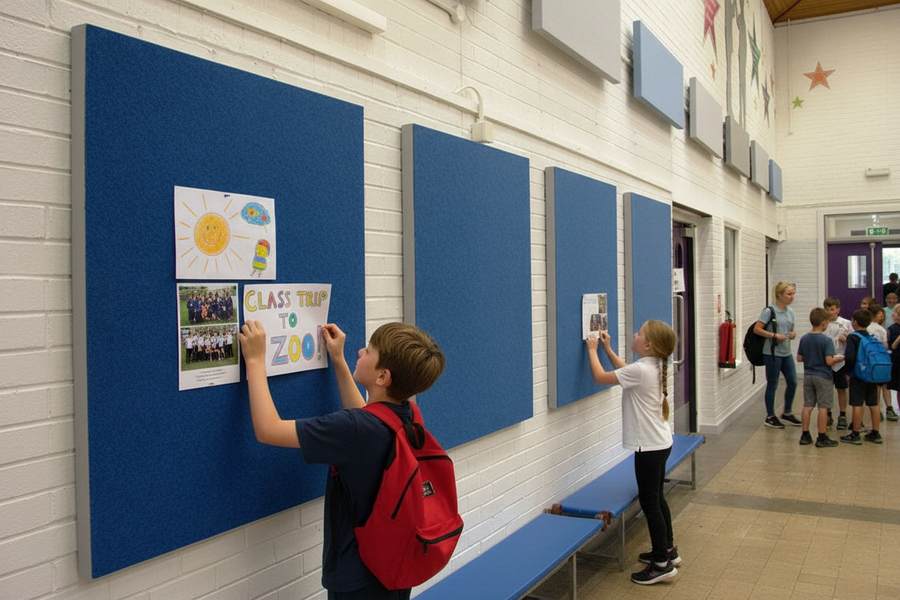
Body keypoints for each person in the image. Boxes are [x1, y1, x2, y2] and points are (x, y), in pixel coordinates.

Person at [240, 320, 445, 600]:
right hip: (393, 566)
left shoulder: (354, 429)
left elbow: (268, 430)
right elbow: (366, 416)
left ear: (383, 376)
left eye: (369, 351)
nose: (360, 352)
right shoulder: (407, 414)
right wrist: (338, 359)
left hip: (355, 578)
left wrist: (254, 359)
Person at [586, 321, 679, 585]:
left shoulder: (642, 369)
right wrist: (607, 348)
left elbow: (599, 378)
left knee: (650, 503)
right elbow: (626, 371)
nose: (635, 335)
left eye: (639, 334)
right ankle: (668, 549)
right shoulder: (653, 366)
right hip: (660, 443)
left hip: (648, 447)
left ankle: (661, 564)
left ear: (648, 345)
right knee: (657, 499)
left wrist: (592, 349)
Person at [754, 282, 799, 428]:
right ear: (780, 295)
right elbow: (757, 329)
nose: (792, 297)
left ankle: (787, 412)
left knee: (793, 381)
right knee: (773, 384)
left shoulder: (790, 311)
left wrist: (792, 334)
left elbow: (790, 329)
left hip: (786, 352)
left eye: (793, 294)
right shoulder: (769, 311)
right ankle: (770, 416)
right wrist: (774, 335)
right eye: (789, 294)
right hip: (772, 353)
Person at [796, 308, 840, 447]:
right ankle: (821, 436)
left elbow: (799, 358)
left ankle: (805, 435)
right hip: (823, 376)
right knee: (823, 407)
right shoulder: (826, 340)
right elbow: (829, 361)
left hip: (808, 375)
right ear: (824, 323)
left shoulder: (804, 338)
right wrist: (837, 359)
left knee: (808, 405)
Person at [840, 309, 882, 445]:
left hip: (858, 375)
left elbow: (850, 358)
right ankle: (876, 433)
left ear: (855, 322)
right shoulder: (871, 336)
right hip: (872, 374)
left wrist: (847, 372)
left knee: (857, 404)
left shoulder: (853, 337)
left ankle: (855, 433)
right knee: (873, 403)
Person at [823, 297, 851, 430]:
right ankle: (828, 413)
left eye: (832, 309)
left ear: (838, 309)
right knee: (827, 389)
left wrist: (845, 339)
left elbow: (852, 342)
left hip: (840, 361)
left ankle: (842, 414)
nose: (830, 312)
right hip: (827, 361)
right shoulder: (823, 324)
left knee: (841, 389)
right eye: (827, 309)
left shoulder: (846, 323)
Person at [867, 304, 893, 422]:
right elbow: (885, 345)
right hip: (881, 360)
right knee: (884, 385)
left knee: (876, 386)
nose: (881, 318)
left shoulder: (865, 328)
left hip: (870, 360)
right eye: (880, 316)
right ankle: (888, 408)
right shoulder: (880, 329)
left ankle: (877, 409)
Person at [888, 304, 900, 421]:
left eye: (895, 313)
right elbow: (893, 346)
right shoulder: (892, 329)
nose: (892, 315)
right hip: (897, 359)